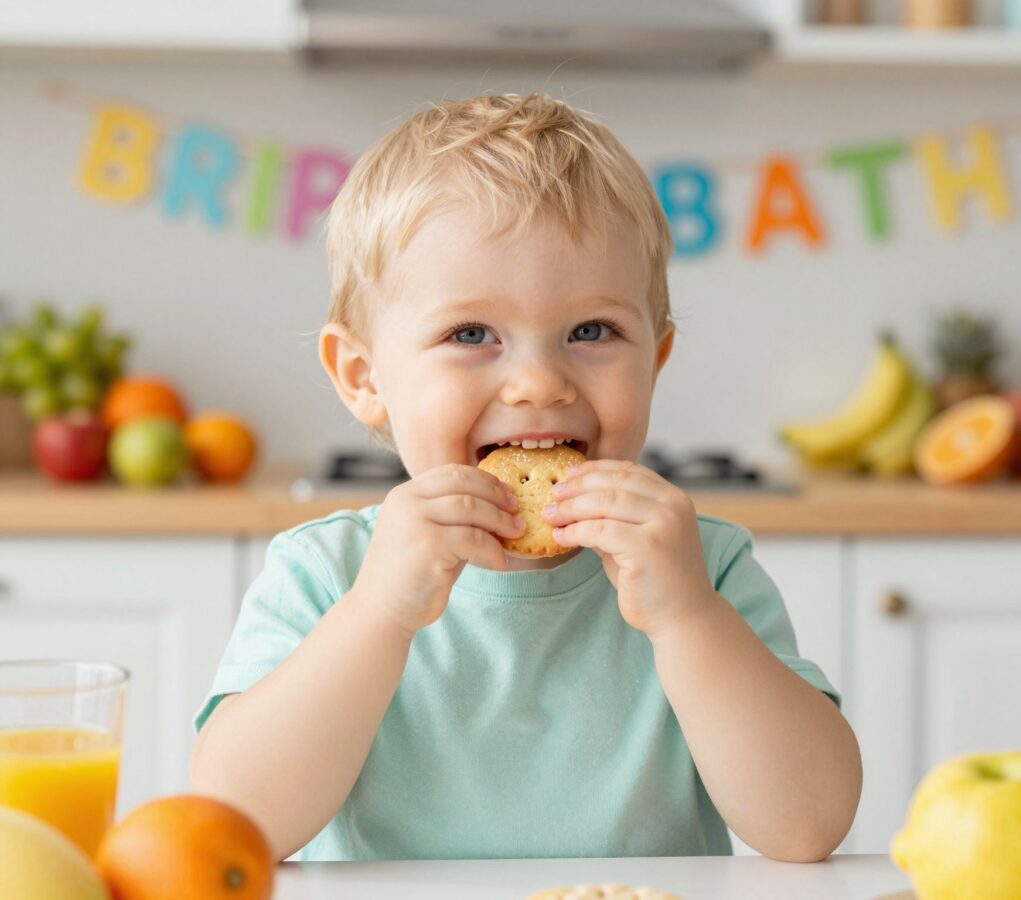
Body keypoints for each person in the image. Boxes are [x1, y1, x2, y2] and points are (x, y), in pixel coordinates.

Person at [189, 92, 862, 863]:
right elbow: (231, 830)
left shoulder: (701, 567)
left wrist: (687, 616)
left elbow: (807, 826)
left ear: (657, 359)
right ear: (364, 374)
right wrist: (378, 612)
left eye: (592, 331)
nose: (540, 382)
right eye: (470, 333)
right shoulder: (326, 573)